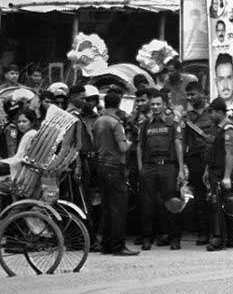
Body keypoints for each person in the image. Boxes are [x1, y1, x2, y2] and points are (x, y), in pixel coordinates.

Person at [136, 90, 185, 251]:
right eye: (153, 104)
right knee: (147, 204)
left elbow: (178, 145)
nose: (155, 107)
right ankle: (147, 238)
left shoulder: (172, 123)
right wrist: (141, 169)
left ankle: (175, 238)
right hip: (149, 167)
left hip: (168, 167)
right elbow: (139, 147)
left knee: (171, 203)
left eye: (158, 104)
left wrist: (181, 170)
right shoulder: (145, 124)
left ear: (165, 104)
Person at [92, 92, 139, 256]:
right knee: (119, 207)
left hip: (101, 166)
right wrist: (132, 139)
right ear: (119, 104)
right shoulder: (115, 123)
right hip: (114, 167)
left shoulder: (98, 121)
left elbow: (96, 144)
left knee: (106, 208)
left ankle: (106, 245)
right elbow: (123, 148)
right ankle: (118, 246)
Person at [0, 109, 38, 220]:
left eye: (24, 121)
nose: (21, 124)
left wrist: (2, 162)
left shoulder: (29, 135)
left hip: (22, 179)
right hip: (28, 176)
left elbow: (18, 158)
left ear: (32, 122)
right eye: (19, 122)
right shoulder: (34, 133)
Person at [205, 97, 233, 251]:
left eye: (211, 112)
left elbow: (229, 154)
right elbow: (211, 151)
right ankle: (230, 237)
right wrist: (206, 170)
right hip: (213, 170)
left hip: (223, 172)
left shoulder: (228, 129)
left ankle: (219, 238)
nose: (210, 115)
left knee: (219, 203)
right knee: (219, 204)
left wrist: (227, 176)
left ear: (220, 112)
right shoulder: (215, 128)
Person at [183, 92, 216, 245]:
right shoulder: (187, 117)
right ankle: (203, 233)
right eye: (188, 96)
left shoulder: (213, 112)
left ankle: (218, 233)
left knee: (215, 195)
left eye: (193, 94)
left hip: (212, 158)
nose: (190, 98)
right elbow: (183, 141)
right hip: (195, 160)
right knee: (200, 198)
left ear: (202, 93)